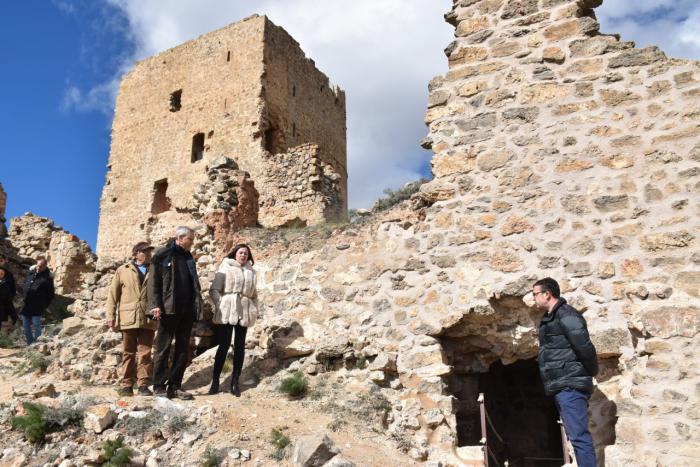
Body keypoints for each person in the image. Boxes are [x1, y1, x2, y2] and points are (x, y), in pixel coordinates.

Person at [533, 278, 598, 467]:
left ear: (547, 294)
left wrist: (592, 371)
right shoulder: (551, 317)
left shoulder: (566, 315)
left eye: (535, 293)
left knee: (579, 437)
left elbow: (584, 347)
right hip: (563, 384)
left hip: (570, 383)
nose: (534, 298)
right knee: (575, 436)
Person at [149, 227, 203, 400]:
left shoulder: (188, 258)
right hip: (168, 308)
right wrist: (155, 305)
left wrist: (196, 305)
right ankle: (158, 385)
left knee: (182, 349)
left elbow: (194, 284)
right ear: (180, 238)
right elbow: (153, 282)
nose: (192, 243)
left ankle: (175, 386)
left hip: (186, 310)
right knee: (163, 348)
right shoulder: (162, 255)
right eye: (190, 239)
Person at [106, 242, 158, 397]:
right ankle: (127, 384)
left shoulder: (155, 270)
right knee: (128, 352)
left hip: (148, 317)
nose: (148, 254)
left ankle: (143, 385)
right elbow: (113, 295)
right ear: (136, 254)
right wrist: (110, 316)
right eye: (145, 252)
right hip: (127, 316)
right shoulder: (123, 270)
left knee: (145, 353)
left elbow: (159, 293)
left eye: (150, 252)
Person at [208, 244, 259, 396]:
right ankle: (215, 381)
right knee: (223, 346)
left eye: (246, 253)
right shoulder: (226, 267)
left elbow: (254, 295)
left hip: (244, 311)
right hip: (227, 311)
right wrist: (221, 303)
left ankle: (234, 383)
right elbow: (214, 290)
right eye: (240, 252)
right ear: (235, 254)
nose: (243, 255)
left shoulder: (252, 272)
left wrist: (253, 308)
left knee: (239, 347)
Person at [20, 257, 55, 345]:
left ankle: (37, 345)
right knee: (25, 325)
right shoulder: (31, 273)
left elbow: (50, 294)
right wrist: (23, 296)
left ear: (45, 266)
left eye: (41, 266)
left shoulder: (48, 277)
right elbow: (25, 284)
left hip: (37, 305)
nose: (39, 268)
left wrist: (44, 305)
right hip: (26, 303)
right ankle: (30, 343)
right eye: (38, 266)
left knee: (36, 325)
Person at [0, 265, 18, 331]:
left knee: (12, 317)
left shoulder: (7, 281)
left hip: (6, 303)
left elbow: (13, 289)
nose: (0, 275)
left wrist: (10, 297)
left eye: (2, 273)